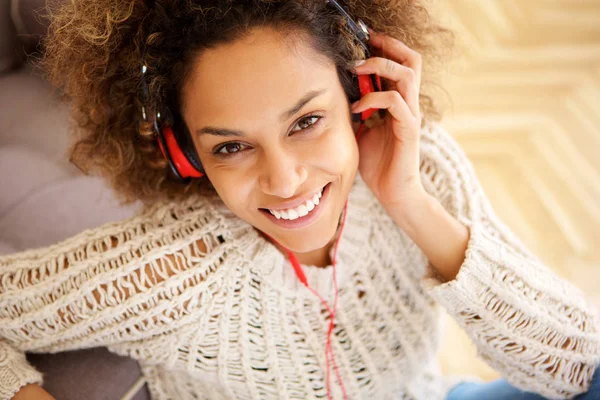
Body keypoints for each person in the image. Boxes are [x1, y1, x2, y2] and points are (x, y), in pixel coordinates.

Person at [1, 0, 599, 399]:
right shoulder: (166, 271)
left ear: (363, 91)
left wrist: (410, 202)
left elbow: (577, 368)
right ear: (185, 155)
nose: (284, 181)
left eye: (306, 121)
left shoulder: (419, 166)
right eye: (232, 147)